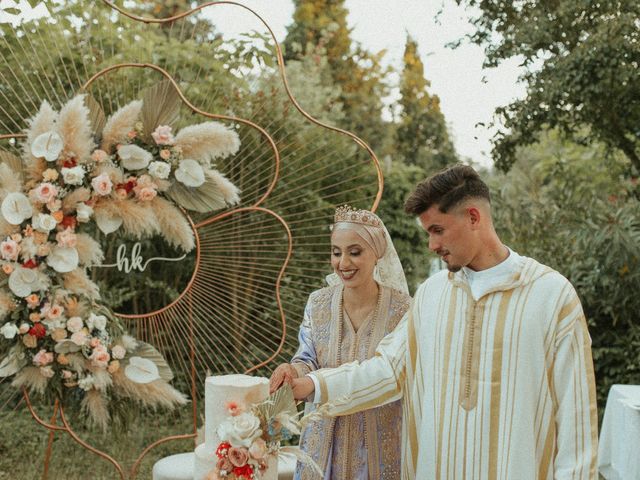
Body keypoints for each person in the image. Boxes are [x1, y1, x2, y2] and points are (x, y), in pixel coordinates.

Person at [290, 165, 598, 479]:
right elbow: (387, 370)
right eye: (428, 233)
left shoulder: (552, 296)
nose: (432, 245)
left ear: (474, 217)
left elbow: (577, 421)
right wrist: (310, 385)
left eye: (438, 230)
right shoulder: (432, 295)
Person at [269, 206, 411, 480]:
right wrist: (292, 371)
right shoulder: (318, 302)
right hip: (323, 445)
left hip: (380, 447)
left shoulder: (404, 310)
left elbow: (395, 374)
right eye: (336, 252)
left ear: (377, 253)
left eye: (355, 252)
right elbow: (307, 358)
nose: (343, 263)